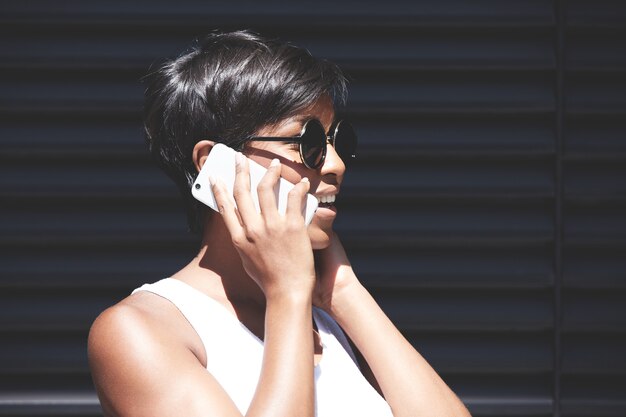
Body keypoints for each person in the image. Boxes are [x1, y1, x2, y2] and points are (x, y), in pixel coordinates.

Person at [88, 30, 472, 417]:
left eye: (338, 139)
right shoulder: (139, 330)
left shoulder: (329, 313)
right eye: (307, 142)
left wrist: (345, 290)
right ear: (215, 164)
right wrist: (286, 294)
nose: (335, 164)